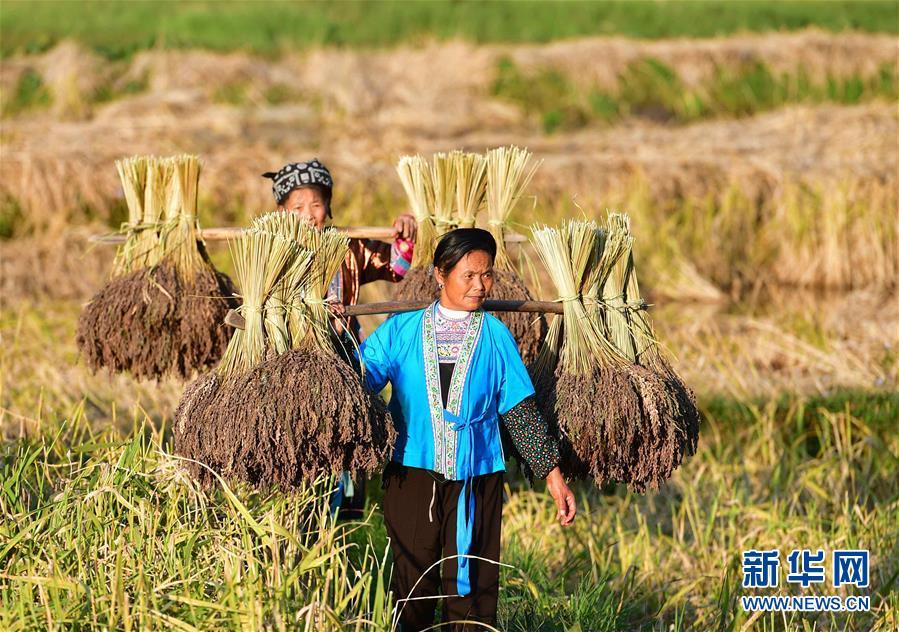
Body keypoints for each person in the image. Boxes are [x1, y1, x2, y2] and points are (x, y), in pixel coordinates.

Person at [357, 228, 576, 630]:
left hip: (477, 480)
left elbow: (519, 411)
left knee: (473, 589)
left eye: (486, 274)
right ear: (441, 274)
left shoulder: (495, 336)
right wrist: (326, 333)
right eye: (468, 275)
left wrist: (553, 476)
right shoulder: (400, 330)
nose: (480, 286)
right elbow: (356, 381)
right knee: (412, 584)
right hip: (412, 474)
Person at [263, 158, 417, 518]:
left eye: (316, 204)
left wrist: (405, 236)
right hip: (291, 359)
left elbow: (396, 269)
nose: (308, 214)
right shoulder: (270, 254)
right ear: (281, 210)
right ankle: (299, 506)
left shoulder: (346, 249)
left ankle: (342, 513)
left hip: (344, 357)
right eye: (297, 206)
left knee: (343, 429)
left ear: (328, 206)